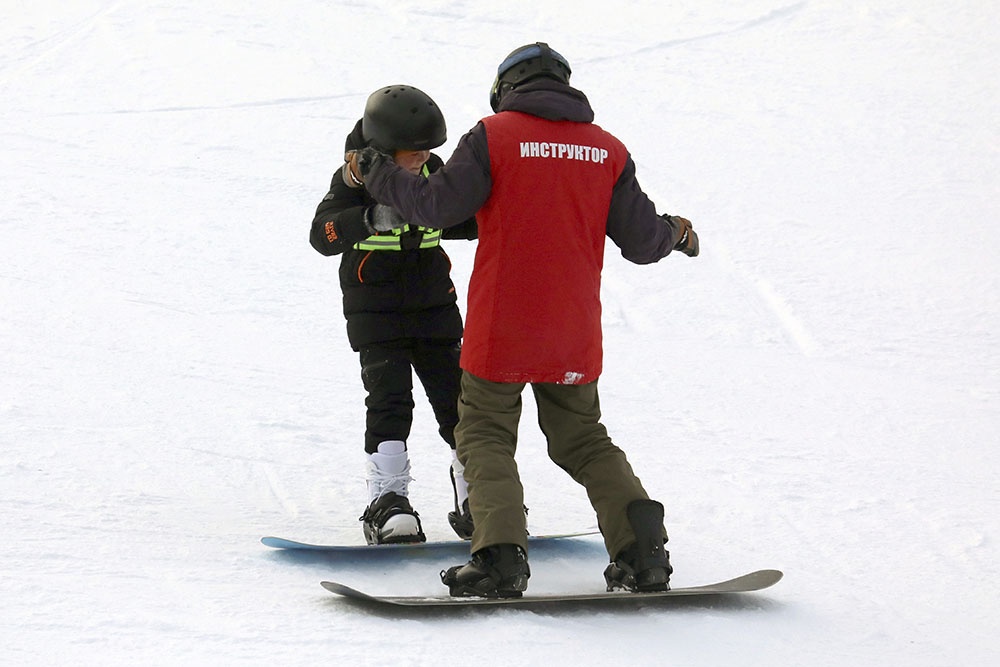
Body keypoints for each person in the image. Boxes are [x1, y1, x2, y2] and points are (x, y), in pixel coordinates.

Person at [344, 43, 699, 596]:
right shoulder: (607, 150)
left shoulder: (494, 136)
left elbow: (436, 206)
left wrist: (378, 172)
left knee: (483, 433)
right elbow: (642, 239)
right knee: (583, 437)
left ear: (506, 87)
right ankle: (643, 552)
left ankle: (500, 559)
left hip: (503, 324)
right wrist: (676, 232)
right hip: (573, 329)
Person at [310, 84, 478, 545]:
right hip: (376, 314)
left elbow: (460, 219)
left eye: (427, 152)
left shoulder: (432, 172)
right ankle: (388, 500)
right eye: (412, 153)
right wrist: (368, 220)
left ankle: (477, 494)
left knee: (458, 401)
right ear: (382, 148)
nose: (422, 160)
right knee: (390, 402)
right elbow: (322, 235)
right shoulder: (354, 180)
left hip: (435, 309)